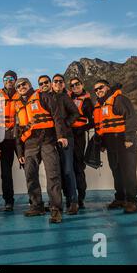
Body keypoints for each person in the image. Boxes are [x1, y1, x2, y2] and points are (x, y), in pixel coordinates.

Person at [15, 76, 67, 223]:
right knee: (30, 175)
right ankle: (36, 206)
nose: (21, 87)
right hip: (29, 145)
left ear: (29, 84)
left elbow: (57, 117)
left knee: (53, 175)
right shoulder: (18, 106)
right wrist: (19, 152)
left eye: (23, 84)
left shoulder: (43, 97)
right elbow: (17, 131)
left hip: (47, 141)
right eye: (18, 86)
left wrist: (61, 136)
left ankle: (56, 209)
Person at [93, 80, 137, 213]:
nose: (98, 91)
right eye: (95, 90)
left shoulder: (119, 99)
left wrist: (129, 138)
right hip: (111, 143)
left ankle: (131, 201)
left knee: (129, 172)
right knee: (116, 172)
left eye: (100, 87)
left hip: (125, 141)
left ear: (107, 87)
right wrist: (102, 143)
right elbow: (102, 127)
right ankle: (120, 198)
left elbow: (132, 118)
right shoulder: (101, 105)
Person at [50, 74, 80, 214]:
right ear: (51, 83)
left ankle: (73, 201)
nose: (57, 83)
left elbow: (75, 113)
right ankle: (59, 202)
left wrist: (66, 125)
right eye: (55, 81)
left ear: (63, 84)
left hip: (67, 138)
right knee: (57, 172)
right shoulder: (47, 97)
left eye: (60, 82)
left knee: (68, 170)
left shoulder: (65, 97)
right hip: (51, 140)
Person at [0, 71, 20, 211]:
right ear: (3, 81)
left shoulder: (22, 95)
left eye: (11, 78)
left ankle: (34, 199)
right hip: (4, 140)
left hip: (20, 138)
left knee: (30, 169)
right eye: (6, 79)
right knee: (6, 172)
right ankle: (8, 201)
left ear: (15, 80)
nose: (9, 80)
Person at [68, 77, 94, 209]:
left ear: (82, 84)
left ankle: (81, 197)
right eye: (72, 85)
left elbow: (93, 122)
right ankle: (69, 197)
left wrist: (81, 129)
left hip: (78, 137)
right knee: (67, 168)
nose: (75, 87)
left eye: (77, 84)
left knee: (78, 168)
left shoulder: (87, 102)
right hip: (67, 135)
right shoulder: (67, 98)